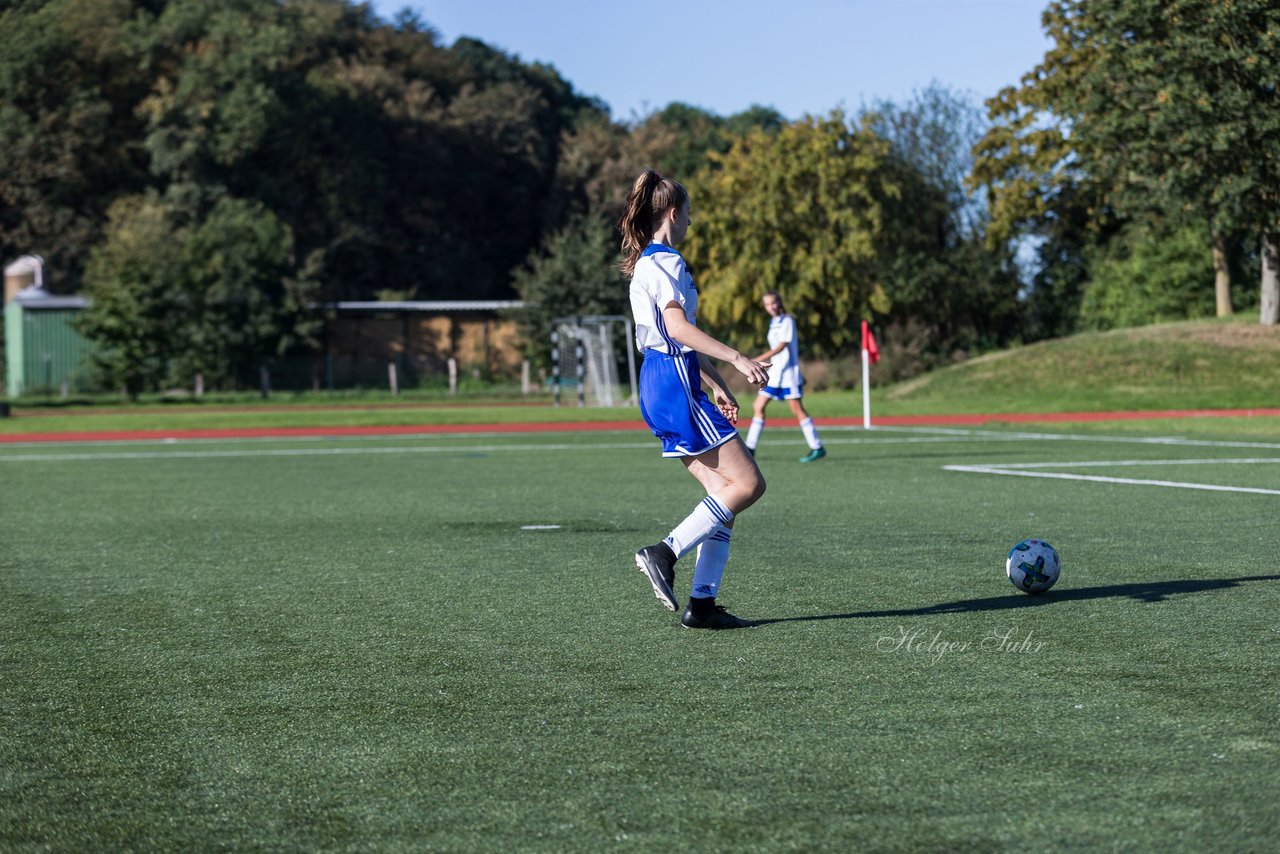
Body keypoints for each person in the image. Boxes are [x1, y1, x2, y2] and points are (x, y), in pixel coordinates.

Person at [620, 168, 771, 630]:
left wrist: (716, 382)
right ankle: (662, 553)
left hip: (662, 380)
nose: (691, 221)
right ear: (672, 213)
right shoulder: (668, 261)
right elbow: (678, 329)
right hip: (673, 380)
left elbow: (669, 341)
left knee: (722, 494)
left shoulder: (647, 262)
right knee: (749, 485)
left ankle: (702, 606)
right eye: (688, 214)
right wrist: (739, 358)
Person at [743, 291, 826, 463]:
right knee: (758, 405)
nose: (770, 307)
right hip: (775, 374)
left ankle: (817, 447)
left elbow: (781, 347)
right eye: (767, 304)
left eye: (773, 303)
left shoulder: (788, 321)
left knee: (797, 410)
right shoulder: (773, 322)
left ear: (779, 302)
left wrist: (756, 360)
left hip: (789, 374)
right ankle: (750, 449)